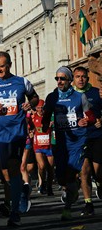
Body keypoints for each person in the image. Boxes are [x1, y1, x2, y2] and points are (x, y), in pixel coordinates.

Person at [0, 51, 39, 227]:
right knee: (4, 173)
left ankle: (15, 211)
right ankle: (20, 194)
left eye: (1, 66)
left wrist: (30, 103)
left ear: (9, 65)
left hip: (18, 133)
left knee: (14, 169)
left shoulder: (21, 82)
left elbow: (35, 97)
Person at [42, 67, 94, 220]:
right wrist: (45, 125)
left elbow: (91, 117)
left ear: (70, 80)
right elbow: (46, 116)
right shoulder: (52, 98)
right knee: (61, 178)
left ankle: (68, 207)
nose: (59, 81)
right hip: (61, 142)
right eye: (57, 78)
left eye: (62, 78)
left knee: (73, 173)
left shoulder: (80, 97)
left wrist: (86, 121)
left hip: (78, 141)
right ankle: (74, 187)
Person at [73, 66, 102, 216]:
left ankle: (99, 182)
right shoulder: (69, 96)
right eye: (77, 76)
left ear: (88, 78)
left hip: (97, 136)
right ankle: (88, 203)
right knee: (84, 171)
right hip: (80, 139)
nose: (81, 79)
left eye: (83, 76)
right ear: (73, 79)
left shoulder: (96, 93)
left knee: (97, 171)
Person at [28, 100, 55, 197]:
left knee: (50, 168)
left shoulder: (49, 117)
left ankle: (50, 187)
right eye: (38, 108)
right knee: (42, 166)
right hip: (38, 146)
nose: (40, 110)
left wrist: (52, 126)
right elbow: (29, 126)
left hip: (48, 146)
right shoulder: (33, 117)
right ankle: (43, 183)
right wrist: (30, 131)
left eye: (42, 108)